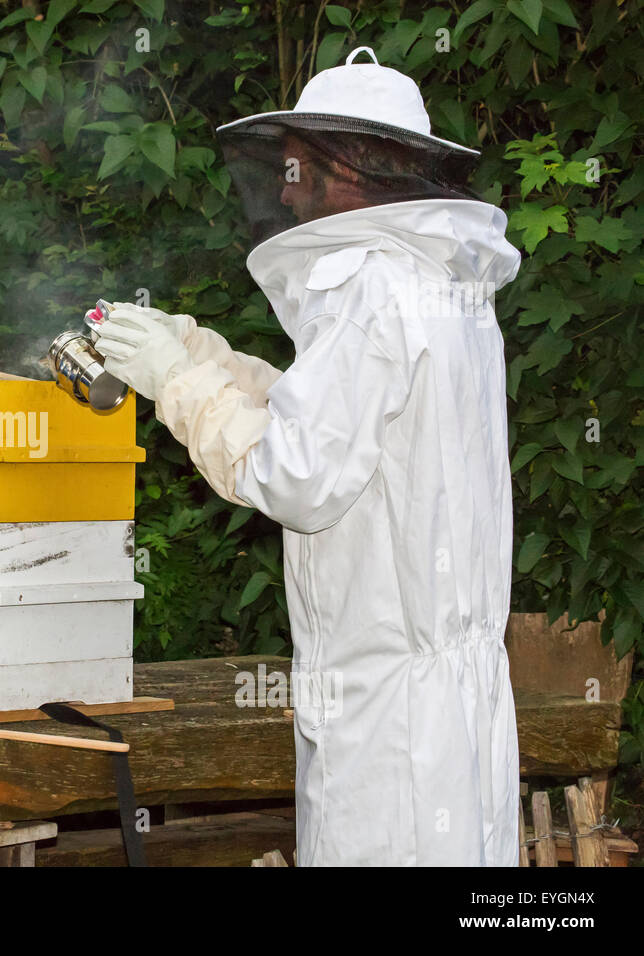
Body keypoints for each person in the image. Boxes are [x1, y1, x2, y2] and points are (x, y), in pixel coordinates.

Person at [96, 49, 524, 865]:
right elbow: (337, 421)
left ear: (351, 166)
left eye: (296, 166)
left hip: (388, 720)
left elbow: (296, 474)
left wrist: (178, 383)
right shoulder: (438, 289)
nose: (284, 188)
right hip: (448, 706)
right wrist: (207, 359)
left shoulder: (371, 290)